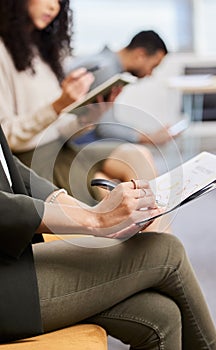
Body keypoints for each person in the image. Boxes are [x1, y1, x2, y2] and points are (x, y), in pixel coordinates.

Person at [0, 123, 216, 350]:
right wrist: (92, 219)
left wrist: (91, 214)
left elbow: (9, 167)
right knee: (166, 250)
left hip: (13, 260)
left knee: (162, 315)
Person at [0, 0, 159, 205]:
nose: (54, 7)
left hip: (62, 147)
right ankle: (155, 234)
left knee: (139, 156)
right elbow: (6, 137)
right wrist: (57, 106)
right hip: (33, 160)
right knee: (111, 193)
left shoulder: (42, 53)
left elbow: (57, 128)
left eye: (59, 2)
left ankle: (159, 233)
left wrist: (90, 116)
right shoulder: (3, 52)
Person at [66, 30, 175, 146]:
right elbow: (105, 128)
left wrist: (147, 134)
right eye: (153, 66)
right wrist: (149, 138)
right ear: (140, 55)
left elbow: (107, 121)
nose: (150, 74)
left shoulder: (104, 62)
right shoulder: (106, 70)